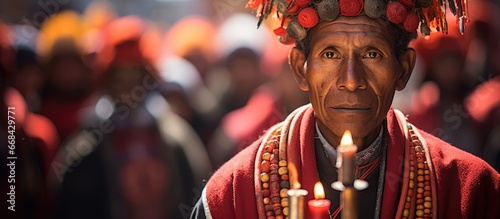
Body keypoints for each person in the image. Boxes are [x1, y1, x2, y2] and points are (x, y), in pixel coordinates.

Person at [190, 0, 500, 218]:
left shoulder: (469, 190)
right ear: (300, 69)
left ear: (403, 70)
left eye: (372, 55)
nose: (351, 81)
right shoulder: (232, 196)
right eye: (330, 54)